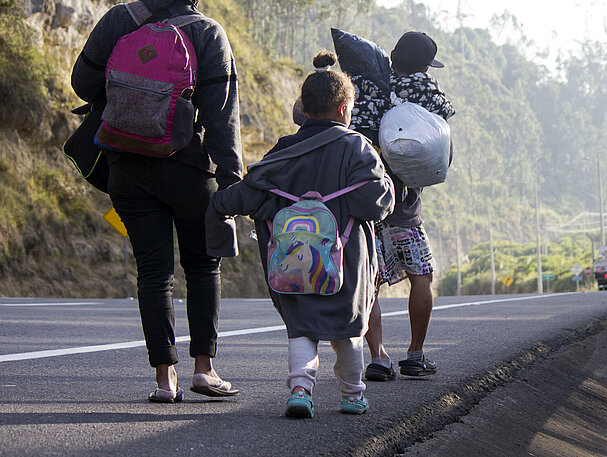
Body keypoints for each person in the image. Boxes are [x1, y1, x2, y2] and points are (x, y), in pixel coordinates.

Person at [205, 50, 394, 418]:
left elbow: (249, 192)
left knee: (302, 328)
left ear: (304, 109)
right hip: (346, 264)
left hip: (291, 263)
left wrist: (218, 202)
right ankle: (353, 395)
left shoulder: (283, 151)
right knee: (348, 330)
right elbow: (377, 202)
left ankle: (300, 390)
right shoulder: (356, 148)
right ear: (344, 108)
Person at [71, 0, 243, 402]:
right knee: (202, 266)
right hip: (187, 166)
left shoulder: (119, 19)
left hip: (125, 164)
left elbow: (82, 84)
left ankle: (165, 380)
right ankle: (205, 369)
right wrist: (232, 180)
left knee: (153, 273)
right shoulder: (207, 32)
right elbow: (221, 114)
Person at [349, 32, 456, 382]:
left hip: (365, 193)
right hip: (405, 200)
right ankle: (415, 354)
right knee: (421, 275)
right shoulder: (423, 85)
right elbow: (444, 119)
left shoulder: (365, 81)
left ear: (392, 54)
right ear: (425, 64)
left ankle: (378, 357)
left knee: (370, 279)